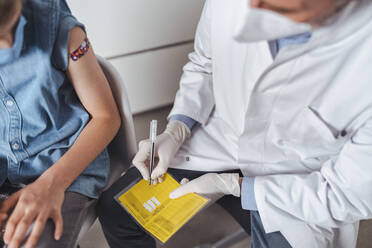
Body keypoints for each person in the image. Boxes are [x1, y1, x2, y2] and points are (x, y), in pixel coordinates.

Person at [98, 0, 372, 247]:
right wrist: (178, 127)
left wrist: (237, 186)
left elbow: (346, 194)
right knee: (118, 211)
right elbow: (205, 63)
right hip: (221, 139)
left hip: (299, 184)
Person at [0, 0, 120, 247]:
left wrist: (51, 184)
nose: (9, 45)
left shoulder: (59, 27)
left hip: (65, 164)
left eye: (11, 25)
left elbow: (106, 117)